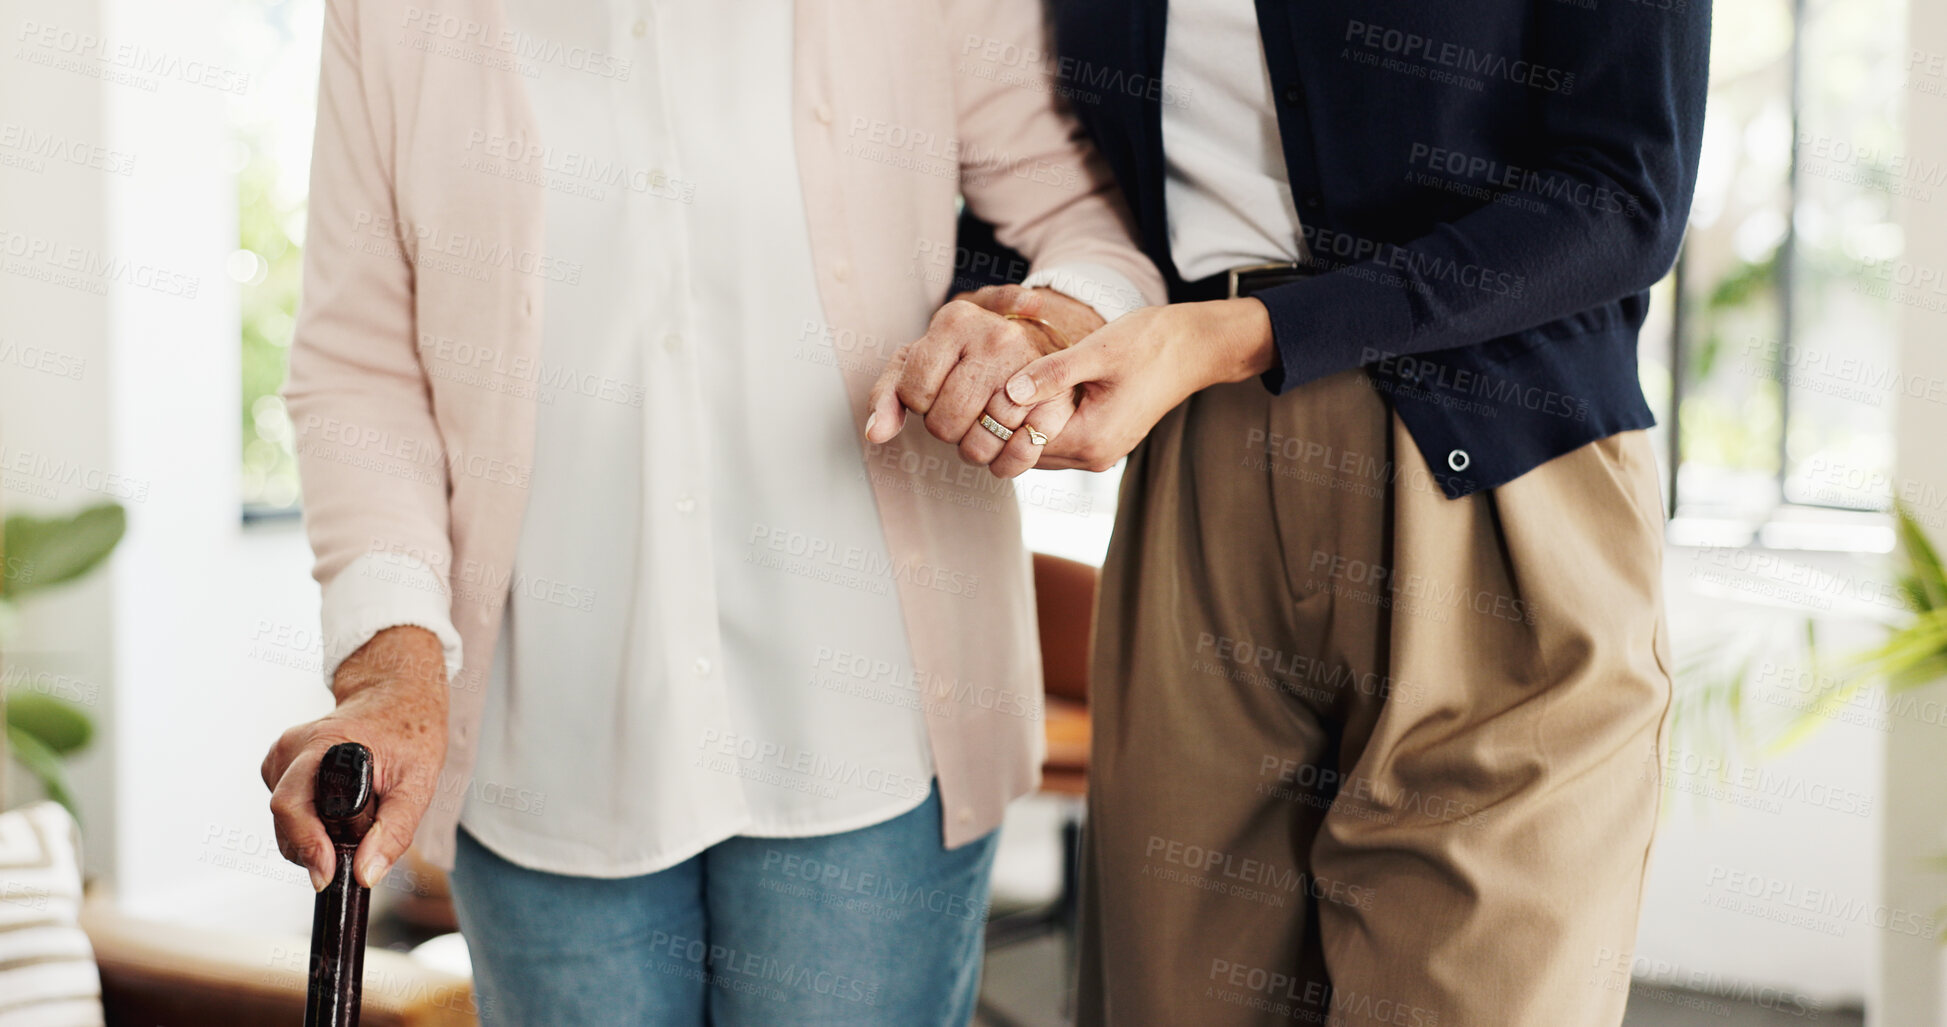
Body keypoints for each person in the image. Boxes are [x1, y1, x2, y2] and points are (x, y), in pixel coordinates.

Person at [258, 1, 1161, 1023]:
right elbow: (356, 365)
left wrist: (1051, 325)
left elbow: (1090, 224)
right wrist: (393, 665)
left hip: (873, 733)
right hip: (543, 745)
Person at [871, 0, 1710, 1023]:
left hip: (1494, 492)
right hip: (1197, 482)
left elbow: (1625, 195)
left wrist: (1251, 333)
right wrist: (1033, 317)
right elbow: (1042, 181)